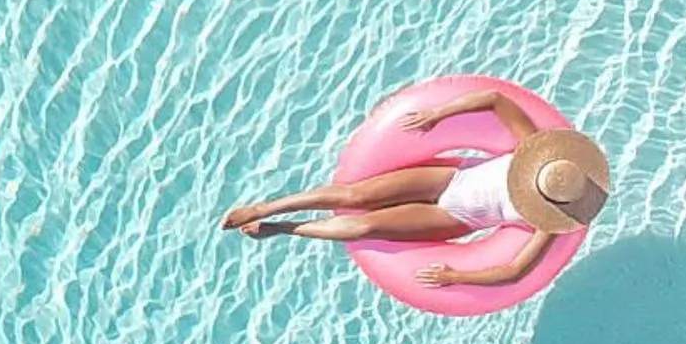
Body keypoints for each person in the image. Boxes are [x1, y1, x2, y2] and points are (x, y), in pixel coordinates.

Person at [221, 86, 610, 290]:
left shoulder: (551, 222)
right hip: (450, 177)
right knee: (354, 196)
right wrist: (437, 113)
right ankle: (266, 208)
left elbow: (514, 272)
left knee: (365, 226)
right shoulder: (532, 148)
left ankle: (284, 230)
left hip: (455, 216)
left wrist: (458, 277)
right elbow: (495, 99)